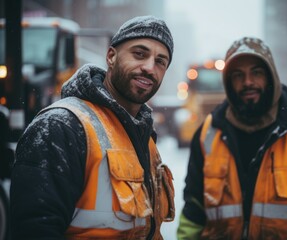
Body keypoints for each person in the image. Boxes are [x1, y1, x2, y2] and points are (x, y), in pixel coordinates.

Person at [10, 15, 175, 239]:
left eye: (160, 61)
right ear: (111, 56)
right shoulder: (61, 126)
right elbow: (35, 228)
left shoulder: (145, 137)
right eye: (139, 54)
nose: (149, 67)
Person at [177, 37, 287, 240]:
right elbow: (194, 208)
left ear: (271, 77)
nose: (248, 82)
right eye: (238, 75)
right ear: (229, 82)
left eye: (256, 72)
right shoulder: (207, 134)